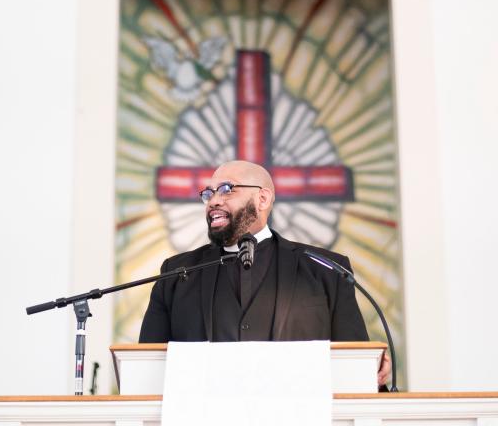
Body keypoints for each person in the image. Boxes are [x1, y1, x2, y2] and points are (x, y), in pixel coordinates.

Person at [138, 159, 391, 387]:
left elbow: (354, 364)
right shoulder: (176, 274)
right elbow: (144, 370)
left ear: (263, 199)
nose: (214, 201)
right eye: (208, 193)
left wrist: (369, 367)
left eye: (227, 189)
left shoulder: (326, 269)